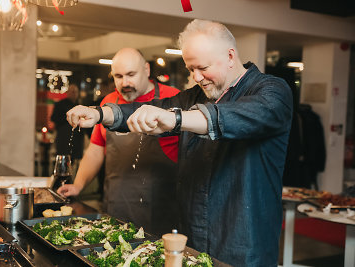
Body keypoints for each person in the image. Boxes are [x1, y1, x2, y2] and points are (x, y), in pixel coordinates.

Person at [65, 20, 293, 266]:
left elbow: (234, 117)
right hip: (193, 238)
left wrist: (175, 119)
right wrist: (100, 114)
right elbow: (150, 109)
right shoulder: (195, 95)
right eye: (190, 69)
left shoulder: (271, 90)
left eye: (202, 67)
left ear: (230, 56)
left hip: (243, 242)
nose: (196, 77)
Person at [57, 48, 181, 236]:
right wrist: (78, 185)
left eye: (131, 75)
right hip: (116, 206)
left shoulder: (173, 98)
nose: (125, 83)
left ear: (147, 70)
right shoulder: (109, 103)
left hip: (161, 211)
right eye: (118, 76)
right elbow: (95, 150)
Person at [50, 84, 84, 164]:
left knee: (75, 162)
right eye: (72, 92)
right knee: (63, 161)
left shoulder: (79, 105)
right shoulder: (60, 104)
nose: (74, 94)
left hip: (77, 138)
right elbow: (54, 118)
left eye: (75, 92)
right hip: (64, 137)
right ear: (67, 93)